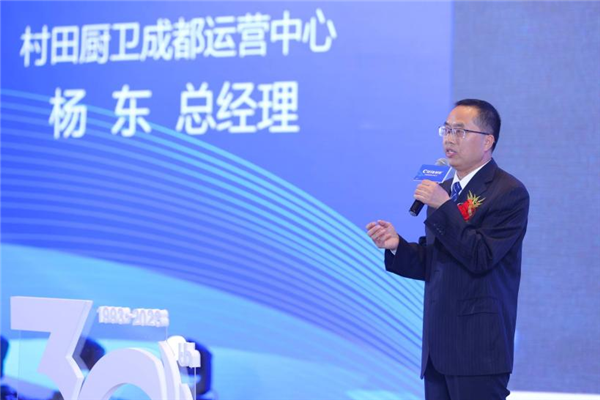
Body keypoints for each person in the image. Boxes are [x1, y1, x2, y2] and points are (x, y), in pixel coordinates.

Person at [366, 99, 529, 400]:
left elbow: (481, 257)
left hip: (478, 350)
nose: (449, 139)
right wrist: (397, 246)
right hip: (438, 348)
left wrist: (444, 207)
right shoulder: (445, 190)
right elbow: (437, 259)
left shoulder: (508, 192)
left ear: (487, 141)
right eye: (446, 130)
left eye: (460, 131)